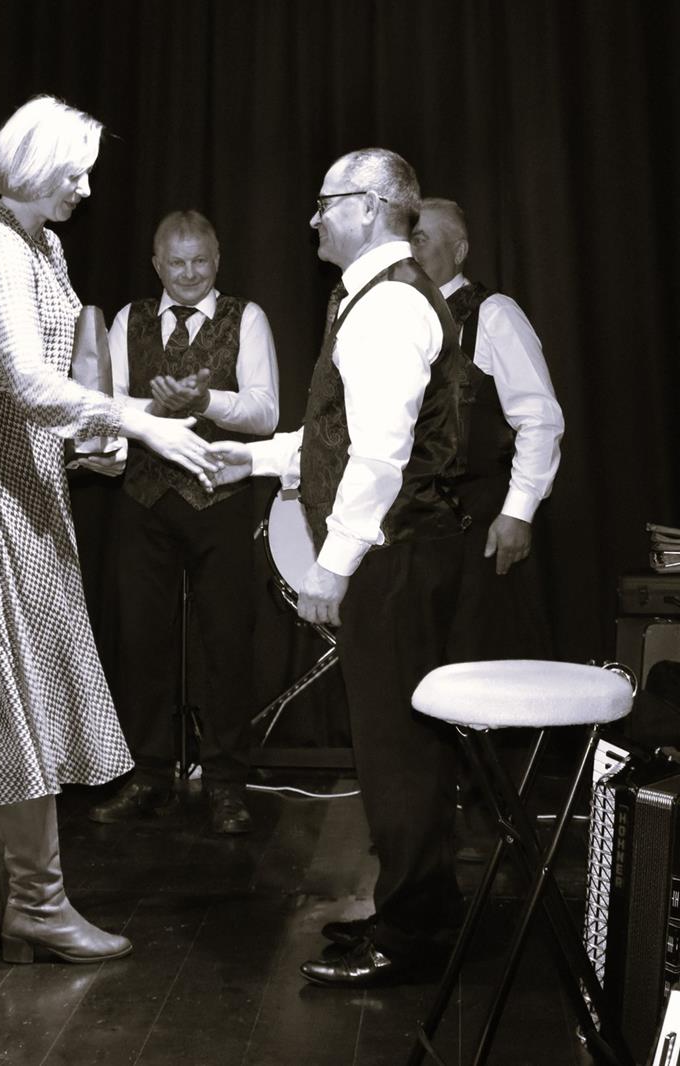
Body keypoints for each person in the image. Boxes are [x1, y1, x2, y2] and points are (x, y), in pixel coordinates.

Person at [0, 96, 220, 964]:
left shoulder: (42, 246)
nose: (87, 190)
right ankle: (36, 903)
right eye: (75, 172)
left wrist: (93, 435)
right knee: (7, 685)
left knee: (8, 680)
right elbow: (23, 379)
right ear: (34, 165)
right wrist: (136, 422)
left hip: (25, 470)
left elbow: (55, 381)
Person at [209, 148, 468, 987]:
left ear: (368, 205)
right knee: (398, 746)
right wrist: (246, 460)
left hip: (395, 559)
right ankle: (416, 913)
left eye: (325, 202)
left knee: (399, 751)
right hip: (397, 556)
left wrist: (332, 565)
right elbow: (336, 439)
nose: (314, 217)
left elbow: (381, 458)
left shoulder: (388, 304)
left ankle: (416, 934)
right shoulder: (370, 298)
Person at [87, 210, 279, 835]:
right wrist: (157, 406)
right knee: (141, 641)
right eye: (177, 262)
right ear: (157, 264)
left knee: (226, 643)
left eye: (200, 261)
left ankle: (226, 784)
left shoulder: (247, 318)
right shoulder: (129, 318)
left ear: (217, 260)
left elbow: (266, 412)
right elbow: (103, 402)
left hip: (222, 501)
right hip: (143, 501)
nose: (189, 273)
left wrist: (206, 401)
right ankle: (147, 775)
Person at [411, 197, 564, 662]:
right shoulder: (397, 320)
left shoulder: (494, 314)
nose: (409, 254)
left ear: (458, 251)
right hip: (416, 526)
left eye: (420, 240)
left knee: (478, 662)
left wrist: (518, 512)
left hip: (479, 520)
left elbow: (539, 417)